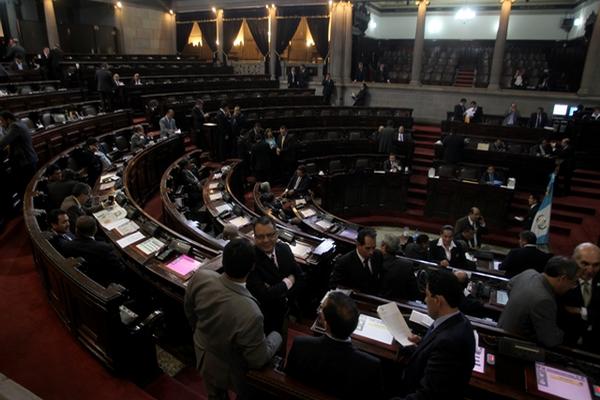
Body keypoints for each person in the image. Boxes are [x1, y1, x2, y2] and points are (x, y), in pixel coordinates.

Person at [184, 239, 283, 400]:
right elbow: (258, 359)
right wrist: (277, 336)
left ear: (223, 260)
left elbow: (190, 311)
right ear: (252, 266)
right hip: (231, 369)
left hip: (203, 351)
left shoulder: (200, 276)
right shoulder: (251, 313)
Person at [286, 292, 384, 400]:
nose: (320, 312)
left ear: (326, 324)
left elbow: (289, 379)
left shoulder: (301, 345)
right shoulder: (371, 366)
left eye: (321, 310)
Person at [397, 269, 475, 400]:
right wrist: (422, 344)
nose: (425, 299)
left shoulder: (449, 343)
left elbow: (428, 395)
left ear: (438, 300)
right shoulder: (459, 320)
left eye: (427, 295)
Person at [499, 256, 579, 347]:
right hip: (515, 345)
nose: (572, 287)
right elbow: (550, 340)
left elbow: (510, 284)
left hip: (502, 328)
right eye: (573, 282)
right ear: (563, 278)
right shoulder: (544, 301)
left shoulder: (529, 273)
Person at [247, 217, 305, 334]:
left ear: (277, 234)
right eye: (260, 236)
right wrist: (289, 282)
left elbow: (300, 276)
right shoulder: (250, 259)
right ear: (254, 237)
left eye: (270, 235)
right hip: (266, 318)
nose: (266, 240)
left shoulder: (285, 249)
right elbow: (264, 295)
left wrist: (282, 294)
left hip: (288, 307)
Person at [62, 216, 125, 286]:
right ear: (95, 229)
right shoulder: (104, 248)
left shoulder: (67, 245)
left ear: (76, 230)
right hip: (104, 283)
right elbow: (120, 269)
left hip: (81, 280)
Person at [559, 243, 600, 350]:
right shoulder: (561, 279)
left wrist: (581, 311)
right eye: (585, 264)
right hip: (563, 343)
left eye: (596, 265)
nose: (590, 270)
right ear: (573, 260)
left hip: (593, 347)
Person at [329, 228, 383, 294]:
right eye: (367, 248)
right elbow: (334, 285)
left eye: (373, 247)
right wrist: (351, 291)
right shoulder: (344, 262)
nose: (371, 252)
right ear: (358, 244)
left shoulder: (377, 254)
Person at [0, 110, 38, 197]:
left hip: (25, 162)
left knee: (26, 189)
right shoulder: (20, 123)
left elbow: (3, 142)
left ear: (8, 120)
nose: (1, 123)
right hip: (29, 160)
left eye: (2, 121)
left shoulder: (15, 126)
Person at [380, 234, 419, 301]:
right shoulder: (407, 265)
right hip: (402, 304)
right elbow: (414, 291)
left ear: (384, 246)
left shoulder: (375, 262)